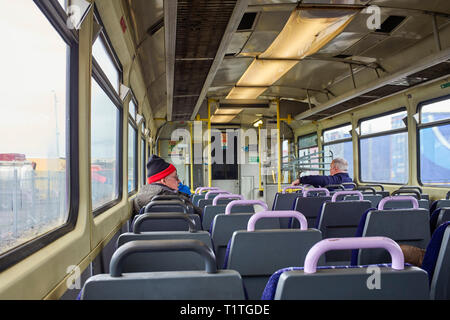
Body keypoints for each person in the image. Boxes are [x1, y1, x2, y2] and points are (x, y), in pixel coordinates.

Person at [133, 155, 201, 217]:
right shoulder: (176, 199)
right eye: (176, 177)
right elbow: (197, 214)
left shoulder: (139, 198)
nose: (179, 181)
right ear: (164, 181)